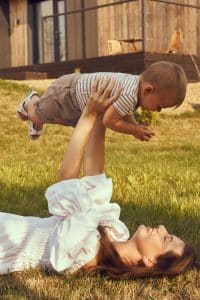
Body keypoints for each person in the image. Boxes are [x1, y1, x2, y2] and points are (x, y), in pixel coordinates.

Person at [3, 80, 194, 278]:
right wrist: (101, 117)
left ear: (150, 261)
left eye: (166, 239)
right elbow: (95, 176)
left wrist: (88, 115)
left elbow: (66, 179)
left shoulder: (89, 254)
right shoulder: (114, 234)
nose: (162, 228)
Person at [17, 61, 187, 141]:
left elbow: (124, 113)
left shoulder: (135, 87)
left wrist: (134, 125)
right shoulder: (130, 95)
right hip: (67, 93)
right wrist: (134, 130)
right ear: (148, 90)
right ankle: (31, 102)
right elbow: (110, 121)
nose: (158, 111)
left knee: (66, 122)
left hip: (78, 103)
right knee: (38, 115)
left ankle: (39, 117)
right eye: (159, 106)